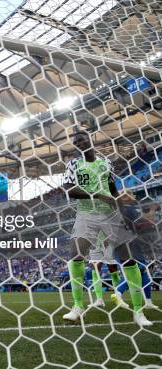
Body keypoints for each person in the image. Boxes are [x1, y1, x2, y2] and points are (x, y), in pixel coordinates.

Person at [61, 130, 151, 327]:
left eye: (82, 139)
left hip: (110, 215)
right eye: (76, 142)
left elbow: (113, 190)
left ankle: (138, 311)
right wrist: (96, 195)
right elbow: (68, 189)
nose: (80, 143)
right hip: (86, 215)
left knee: (128, 259)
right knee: (76, 256)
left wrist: (123, 214)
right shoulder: (73, 164)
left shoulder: (105, 163)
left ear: (90, 140)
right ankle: (77, 307)